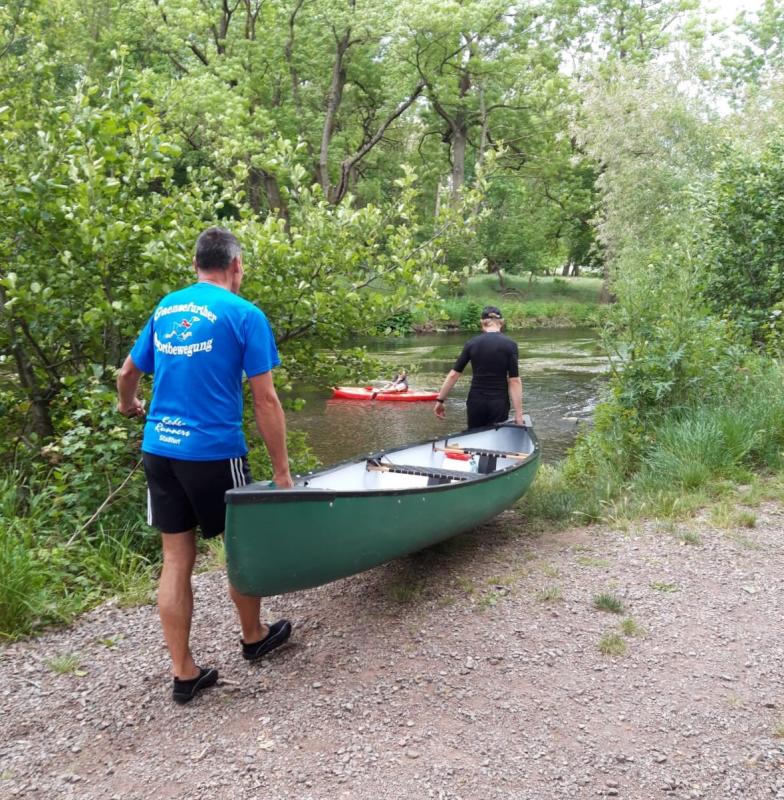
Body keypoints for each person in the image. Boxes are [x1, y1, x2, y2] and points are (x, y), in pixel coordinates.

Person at [116, 226, 294, 705]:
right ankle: (254, 636)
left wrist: (127, 405)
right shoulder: (245, 314)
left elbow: (128, 372)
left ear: (196, 265)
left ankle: (184, 673)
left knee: (176, 558)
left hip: (160, 448)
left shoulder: (166, 307)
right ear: (236, 266)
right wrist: (281, 473)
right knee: (240, 545)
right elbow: (266, 400)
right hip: (214, 452)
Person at [434, 305, 523, 428]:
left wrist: (440, 400)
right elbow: (514, 381)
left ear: (482, 322)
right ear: (501, 322)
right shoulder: (510, 345)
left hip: (476, 401)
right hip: (499, 402)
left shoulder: (471, 343)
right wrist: (519, 414)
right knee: (496, 437)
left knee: (474, 436)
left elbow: (454, 375)